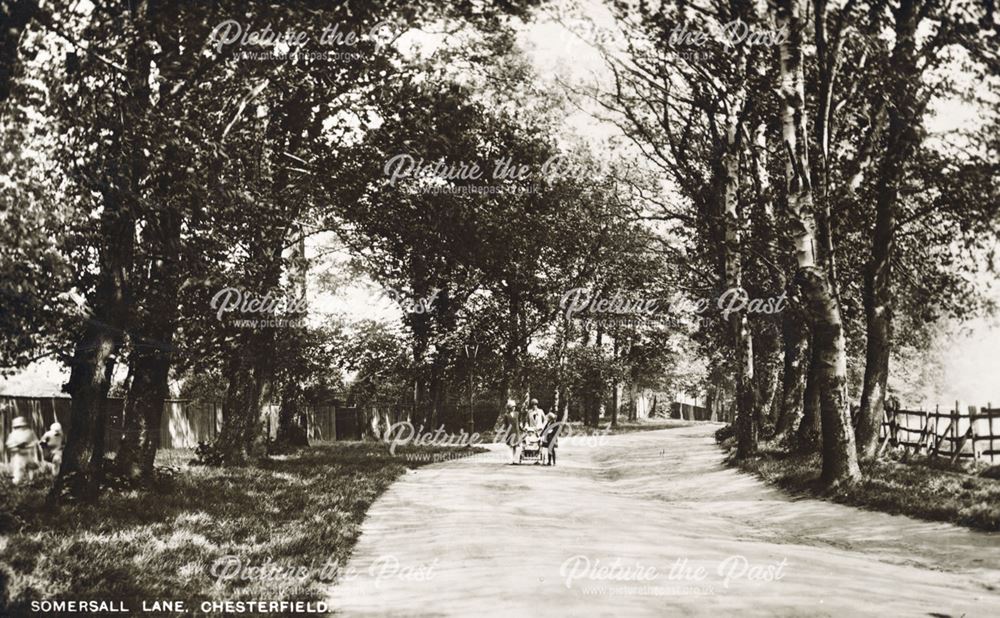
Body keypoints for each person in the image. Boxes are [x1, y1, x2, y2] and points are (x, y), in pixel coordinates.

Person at [5, 416, 40, 485]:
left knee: (30, 467)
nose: (20, 428)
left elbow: (35, 442)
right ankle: (17, 481)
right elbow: (9, 444)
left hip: (28, 453)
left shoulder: (30, 432)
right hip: (18, 454)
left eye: (21, 426)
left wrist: (27, 445)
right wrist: (17, 446)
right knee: (18, 468)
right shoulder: (13, 434)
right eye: (18, 426)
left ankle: (30, 481)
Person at [502, 399, 522, 464]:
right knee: (510, 447)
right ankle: (511, 460)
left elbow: (519, 423)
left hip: (516, 432)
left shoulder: (517, 414)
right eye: (512, 407)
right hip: (510, 432)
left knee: (516, 446)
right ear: (509, 407)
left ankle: (515, 460)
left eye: (514, 407)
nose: (514, 408)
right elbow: (505, 424)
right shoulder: (506, 415)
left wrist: (521, 428)